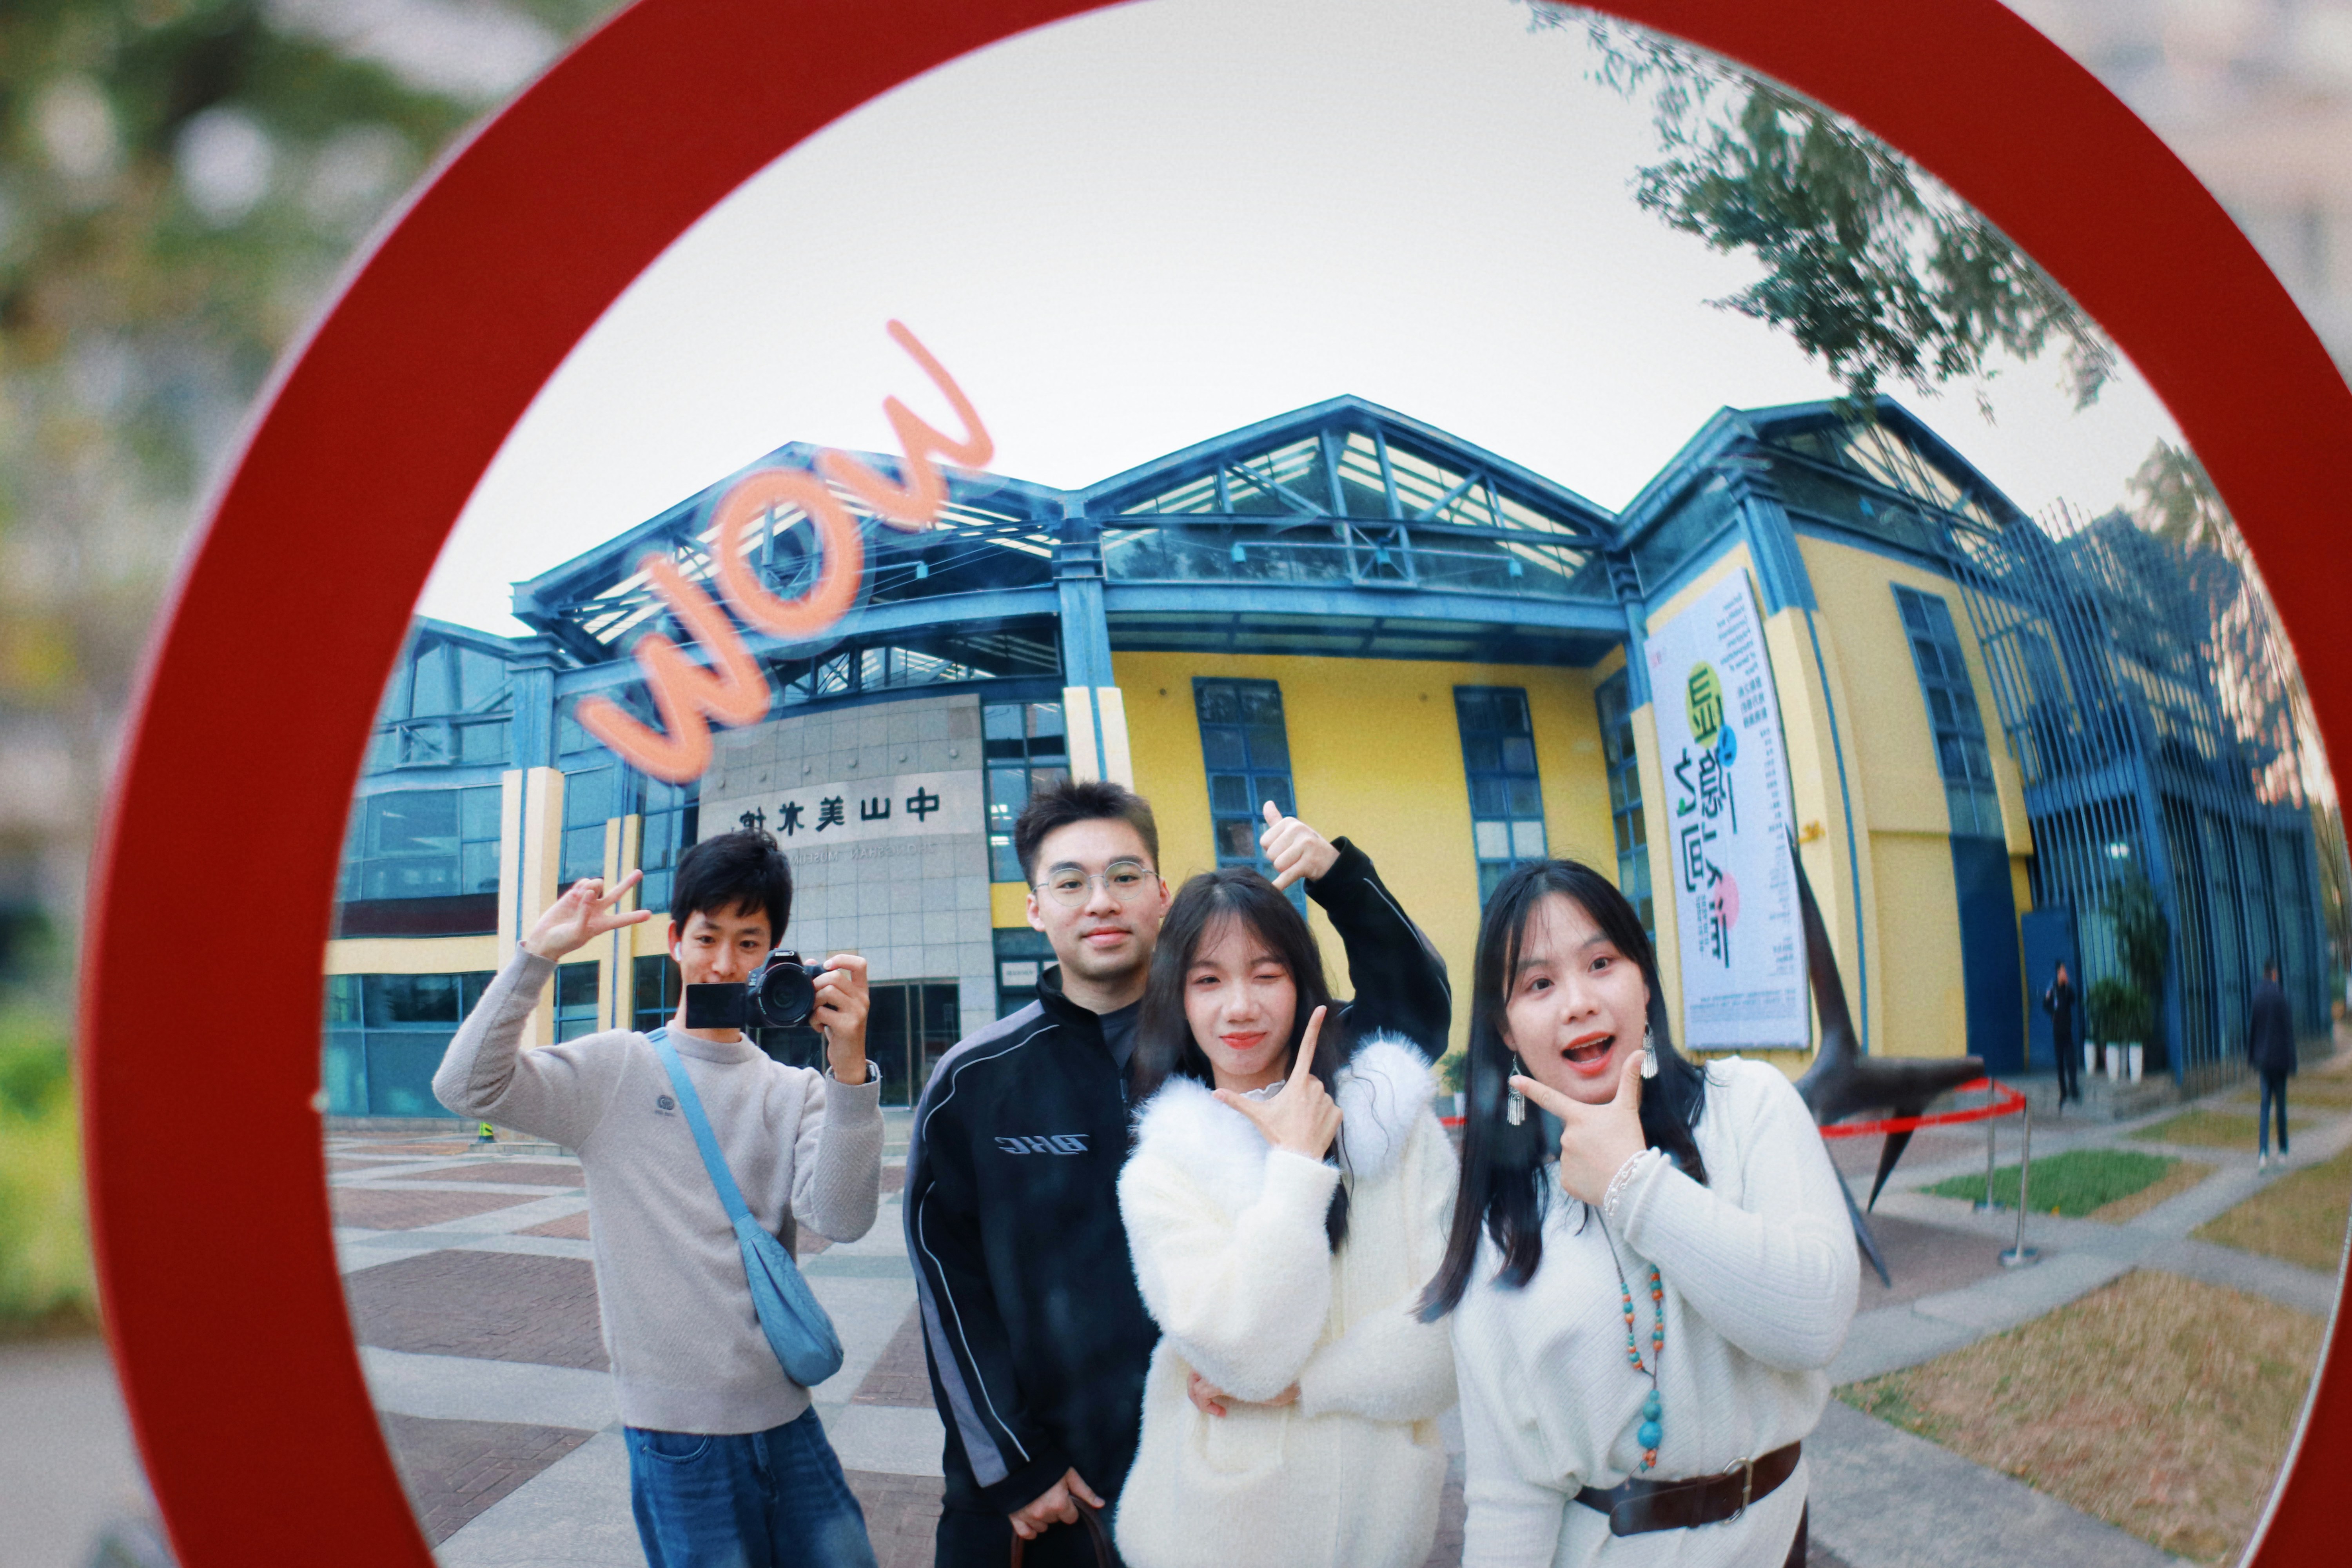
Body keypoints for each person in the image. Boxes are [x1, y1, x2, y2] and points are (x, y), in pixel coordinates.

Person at [904, 783, 1447, 1566]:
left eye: (1125, 876)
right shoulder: (974, 1079)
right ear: (1034, 906)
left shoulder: (1235, 1054)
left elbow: (1411, 1019)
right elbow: (947, 1283)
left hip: (1211, 1471)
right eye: (1070, 881)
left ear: (1161, 894)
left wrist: (1338, 878)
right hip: (1047, 1492)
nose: (1101, 900)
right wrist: (1014, 1462)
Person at [433, 829, 884, 1568]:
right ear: (675, 940)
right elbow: (464, 1088)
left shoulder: (795, 1089)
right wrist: (536, 954)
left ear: (775, 956)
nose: (724, 962)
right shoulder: (617, 1069)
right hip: (679, 1441)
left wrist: (848, 1065)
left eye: (749, 943)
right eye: (708, 937)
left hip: (790, 1421)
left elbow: (841, 1217)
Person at [1421, 859, 1857, 1568]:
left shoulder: (1749, 1104)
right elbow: (1510, 1494)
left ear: (1644, 982)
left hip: (1777, 1544)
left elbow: (1814, 1323)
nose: (1578, 1003)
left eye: (1601, 963)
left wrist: (1634, 1185)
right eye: (1538, 984)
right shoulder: (1501, 1216)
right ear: (1504, 1028)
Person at [1113, 836, 1455, 1568]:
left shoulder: (1396, 1125)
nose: (1240, 1006)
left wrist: (1309, 1384)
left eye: (1266, 974)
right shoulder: (1166, 1167)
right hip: (1215, 1539)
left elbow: (1450, 1336)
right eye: (1207, 981)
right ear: (1176, 996)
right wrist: (1297, 1171)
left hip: (1382, 1537)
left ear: (1305, 988)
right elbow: (1247, 1355)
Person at [2249, 957, 2296, 1171]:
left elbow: (2253, 1031)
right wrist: (2293, 1063)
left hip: (2264, 1062)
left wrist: (2252, 1058)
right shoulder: (2280, 996)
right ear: (2275, 974)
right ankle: (2283, 1150)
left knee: (2265, 1107)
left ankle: (2262, 1153)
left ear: (2264, 973)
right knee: (2281, 1108)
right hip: (2280, 1062)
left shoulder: (2257, 997)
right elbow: (2288, 1032)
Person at [2043, 960, 2080, 1107]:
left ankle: (2074, 1088)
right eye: (2063, 971)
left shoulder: (2067, 989)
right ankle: (2063, 1091)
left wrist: (2068, 985)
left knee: (2071, 1060)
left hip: (2068, 1030)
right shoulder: (2052, 989)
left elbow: (2073, 1000)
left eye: (2066, 971)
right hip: (2057, 1031)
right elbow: (2045, 1005)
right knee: (2060, 1062)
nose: (2065, 973)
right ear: (2059, 972)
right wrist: (2053, 1013)